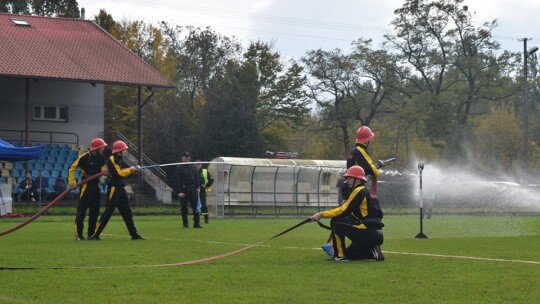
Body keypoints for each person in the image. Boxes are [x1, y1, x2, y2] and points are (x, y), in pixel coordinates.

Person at [323, 125, 388, 256]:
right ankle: (331, 244)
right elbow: (370, 169)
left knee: (346, 216)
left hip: (347, 188)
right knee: (346, 214)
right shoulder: (360, 151)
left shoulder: (353, 151)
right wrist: (380, 164)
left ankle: (340, 245)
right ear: (367, 140)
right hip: (352, 188)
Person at [310, 165, 384, 261]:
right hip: (377, 234)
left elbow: (343, 210)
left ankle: (340, 256)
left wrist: (321, 214)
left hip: (367, 231)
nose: (347, 181)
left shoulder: (358, 190)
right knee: (350, 254)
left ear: (357, 179)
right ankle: (373, 252)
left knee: (336, 221)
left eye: (349, 178)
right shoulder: (369, 192)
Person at [90, 140, 143, 240]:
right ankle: (94, 235)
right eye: (125, 150)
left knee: (127, 212)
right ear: (120, 150)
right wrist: (130, 170)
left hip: (120, 188)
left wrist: (134, 171)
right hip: (114, 189)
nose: (126, 152)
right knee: (108, 213)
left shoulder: (120, 159)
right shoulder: (112, 159)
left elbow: (124, 174)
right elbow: (118, 174)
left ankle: (134, 234)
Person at [69, 138, 108, 241]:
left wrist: (104, 171)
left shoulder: (102, 157)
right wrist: (72, 183)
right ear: (97, 148)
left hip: (95, 185)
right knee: (82, 211)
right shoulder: (84, 157)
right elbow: (71, 168)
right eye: (102, 147)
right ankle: (79, 235)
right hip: (86, 184)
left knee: (95, 211)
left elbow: (103, 167)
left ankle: (91, 235)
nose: (103, 148)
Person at [175, 151, 202, 228]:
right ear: (182, 158)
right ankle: (185, 224)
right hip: (184, 190)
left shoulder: (192, 167)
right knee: (184, 208)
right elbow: (178, 180)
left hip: (193, 189)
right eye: (186, 157)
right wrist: (180, 191)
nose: (187, 158)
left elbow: (196, 177)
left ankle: (197, 223)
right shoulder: (179, 168)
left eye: (188, 157)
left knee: (196, 207)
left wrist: (198, 187)